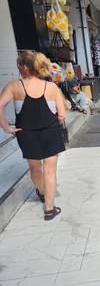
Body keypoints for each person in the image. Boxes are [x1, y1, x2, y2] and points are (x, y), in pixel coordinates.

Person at [0, 51, 66, 220]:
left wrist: (7, 127)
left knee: (35, 168)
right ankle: (49, 209)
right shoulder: (51, 87)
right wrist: (53, 125)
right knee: (50, 171)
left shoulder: (14, 86)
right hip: (50, 132)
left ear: (23, 67)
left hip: (27, 134)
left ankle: (43, 192)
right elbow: (62, 114)